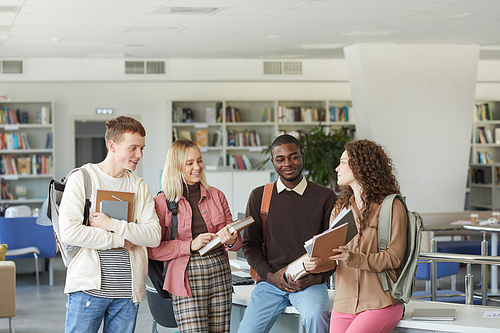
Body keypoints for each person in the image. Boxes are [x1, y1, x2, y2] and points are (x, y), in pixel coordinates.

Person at [59, 116, 162, 333]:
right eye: (133, 148)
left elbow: (153, 235)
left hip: (127, 293)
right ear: (112, 145)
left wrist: (112, 224)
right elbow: (69, 232)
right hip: (88, 289)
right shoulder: (82, 178)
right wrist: (120, 241)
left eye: (142, 148)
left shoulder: (139, 186)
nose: (139, 155)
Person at [304, 139, 407, 333]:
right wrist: (315, 263)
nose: (337, 168)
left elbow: (394, 257)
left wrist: (353, 258)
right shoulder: (340, 208)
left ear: (361, 166)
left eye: (343, 162)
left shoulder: (392, 207)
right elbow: (332, 259)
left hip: (380, 303)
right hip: (343, 305)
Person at [238, 134, 337, 333]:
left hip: (309, 283)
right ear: (273, 162)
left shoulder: (325, 197)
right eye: (280, 159)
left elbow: (333, 249)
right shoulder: (259, 196)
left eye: (293, 157)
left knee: (316, 318)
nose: (287, 163)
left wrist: (317, 279)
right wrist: (270, 276)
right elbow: (250, 244)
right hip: (270, 282)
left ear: (302, 157)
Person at [148, 139, 242, 333]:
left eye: (199, 161)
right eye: (189, 163)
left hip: (220, 272)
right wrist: (190, 245)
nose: (197, 167)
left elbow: (236, 242)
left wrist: (231, 240)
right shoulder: (161, 203)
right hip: (185, 276)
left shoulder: (217, 195)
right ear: (176, 166)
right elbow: (152, 250)